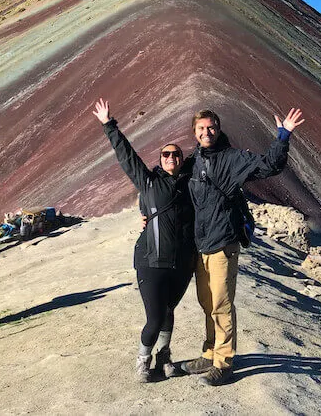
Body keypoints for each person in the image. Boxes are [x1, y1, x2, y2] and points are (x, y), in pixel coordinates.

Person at [181, 107, 305, 386]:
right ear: (194, 133)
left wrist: (283, 135)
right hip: (200, 245)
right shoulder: (195, 161)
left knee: (222, 304)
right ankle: (211, 352)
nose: (206, 133)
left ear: (218, 128)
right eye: (201, 129)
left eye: (210, 127)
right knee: (206, 302)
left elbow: (269, 166)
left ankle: (224, 363)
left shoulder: (233, 158)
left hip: (223, 243)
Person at [93, 98, 196, 383]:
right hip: (151, 261)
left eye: (176, 155)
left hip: (182, 264)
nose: (171, 158)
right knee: (154, 317)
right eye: (166, 155)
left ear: (182, 159)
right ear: (160, 159)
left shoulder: (192, 185)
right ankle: (142, 361)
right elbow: (127, 157)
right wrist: (108, 124)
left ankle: (164, 358)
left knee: (168, 311)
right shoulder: (149, 182)